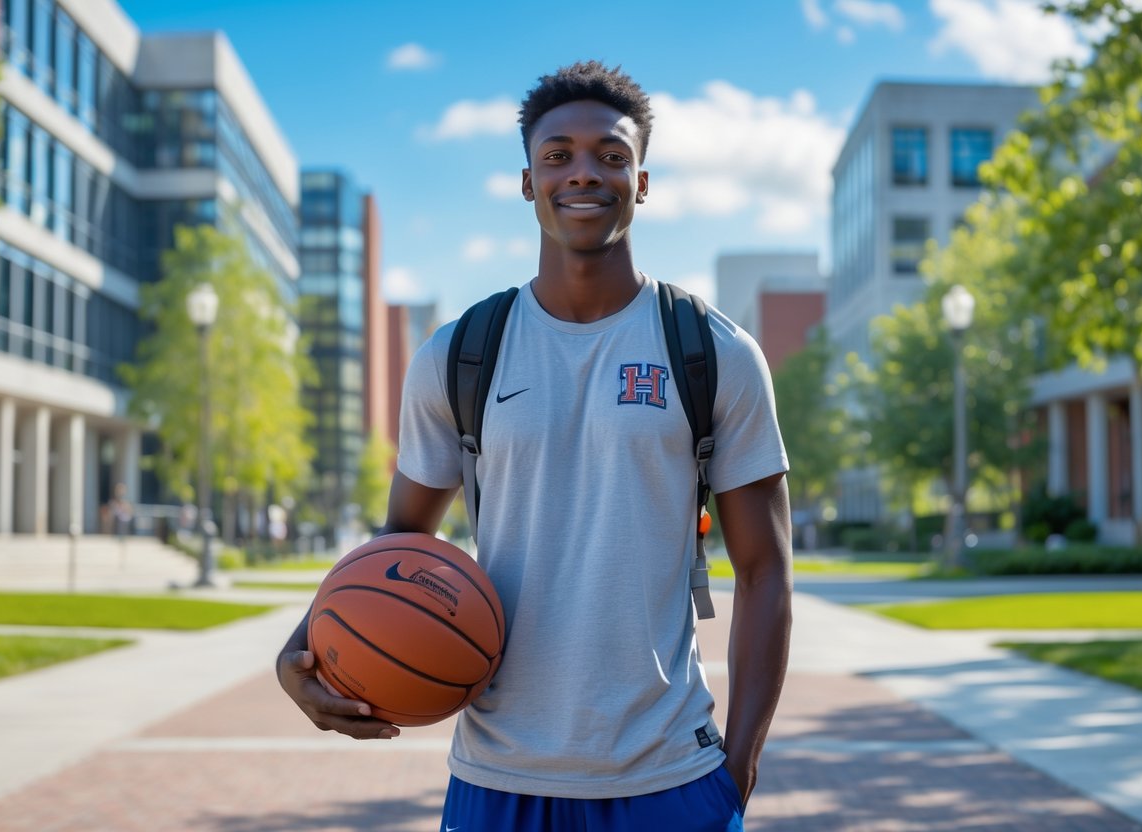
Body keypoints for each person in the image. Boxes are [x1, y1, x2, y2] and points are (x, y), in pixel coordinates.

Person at [277, 61, 792, 830]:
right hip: (497, 774)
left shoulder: (714, 352)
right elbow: (401, 540)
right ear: (527, 180)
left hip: (670, 776)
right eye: (558, 155)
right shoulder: (459, 354)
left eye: (610, 155)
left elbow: (764, 570)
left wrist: (738, 769)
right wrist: (306, 644)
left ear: (641, 182)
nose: (583, 172)